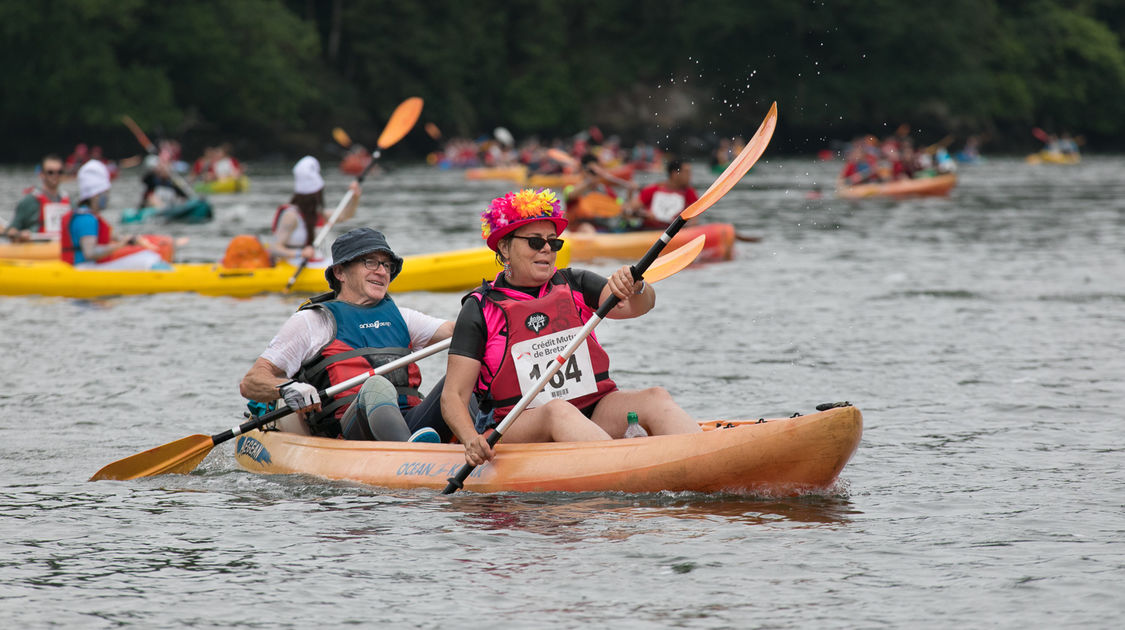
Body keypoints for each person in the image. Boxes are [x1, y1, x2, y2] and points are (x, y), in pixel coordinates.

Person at [441, 189, 701, 467]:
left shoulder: (575, 282)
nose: (546, 250)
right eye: (534, 242)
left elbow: (639, 306)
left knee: (655, 397)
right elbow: (453, 396)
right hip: (517, 425)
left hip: (593, 409)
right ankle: (628, 469)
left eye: (553, 243)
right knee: (558, 411)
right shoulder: (479, 309)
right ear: (504, 248)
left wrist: (637, 287)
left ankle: (703, 456)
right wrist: (471, 440)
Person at [240, 227, 466, 442]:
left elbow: (460, 332)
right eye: (370, 263)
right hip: (350, 433)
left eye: (386, 265)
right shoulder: (312, 322)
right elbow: (251, 382)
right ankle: (409, 455)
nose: (381, 271)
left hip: (410, 424)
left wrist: (489, 301)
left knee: (464, 383)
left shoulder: (403, 317)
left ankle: (478, 442)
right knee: (376, 385)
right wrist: (286, 388)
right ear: (340, 272)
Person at [59, 160, 169, 270]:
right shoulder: (86, 219)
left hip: (89, 268)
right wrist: (121, 244)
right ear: (96, 194)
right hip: (85, 269)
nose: (107, 197)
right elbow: (90, 253)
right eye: (105, 193)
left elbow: (110, 236)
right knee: (148, 258)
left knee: (147, 256)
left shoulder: (87, 215)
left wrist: (130, 239)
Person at [270, 156, 360, 266]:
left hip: (315, 262)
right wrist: (300, 253)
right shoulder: (291, 215)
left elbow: (345, 215)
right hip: (294, 264)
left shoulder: (318, 214)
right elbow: (274, 248)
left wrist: (354, 197)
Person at [5, 155, 70, 242]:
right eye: (50, 172)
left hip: (62, 250)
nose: (55, 175)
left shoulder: (69, 201)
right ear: (41, 174)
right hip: (36, 248)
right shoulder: (29, 201)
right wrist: (19, 234)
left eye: (59, 172)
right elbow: (11, 230)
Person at [625, 157, 698, 229]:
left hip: (674, 234)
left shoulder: (690, 193)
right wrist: (644, 214)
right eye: (686, 172)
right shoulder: (653, 190)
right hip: (648, 230)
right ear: (674, 174)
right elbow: (628, 211)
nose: (690, 176)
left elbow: (693, 223)